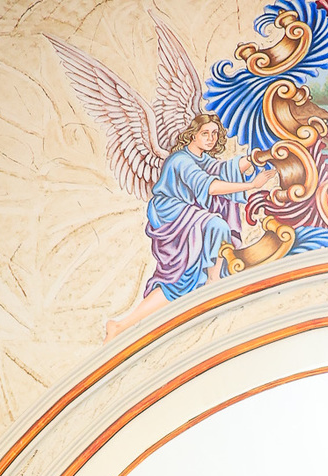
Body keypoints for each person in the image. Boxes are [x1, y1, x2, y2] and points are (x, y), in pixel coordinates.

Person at [104, 113, 277, 340]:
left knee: (182, 279)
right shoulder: (181, 160)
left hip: (186, 212)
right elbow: (210, 186)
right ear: (192, 135)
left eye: (214, 134)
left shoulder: (202, 158)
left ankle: (120, 326)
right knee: (217, 226)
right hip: (171, 213)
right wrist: (251, 185)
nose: (211, 138)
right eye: (205, 133)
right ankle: (213, 280)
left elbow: (224, 169)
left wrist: (259, 157)